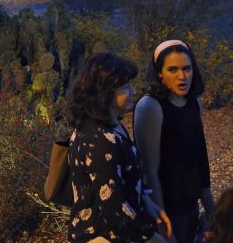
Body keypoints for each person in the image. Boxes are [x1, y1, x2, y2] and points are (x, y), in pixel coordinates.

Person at [67, 52, 169, 243]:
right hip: (101, 236)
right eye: (124, 87)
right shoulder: (98, 141)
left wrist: (146, 202)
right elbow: (114, 209)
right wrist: (152, 237)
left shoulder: (112, 126)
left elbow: (124, 181)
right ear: (104, 92)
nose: (132, 91)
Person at [134, 40, 215, 243]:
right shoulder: (150, 106)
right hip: (167, 209)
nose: (182, 76)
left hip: (190, 205)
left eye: (187, 68)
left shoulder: (194, 102)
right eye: (173, 69)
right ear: (159, 73)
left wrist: (211, 210)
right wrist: (163, 225)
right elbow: (149, 171)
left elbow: (200, 157)